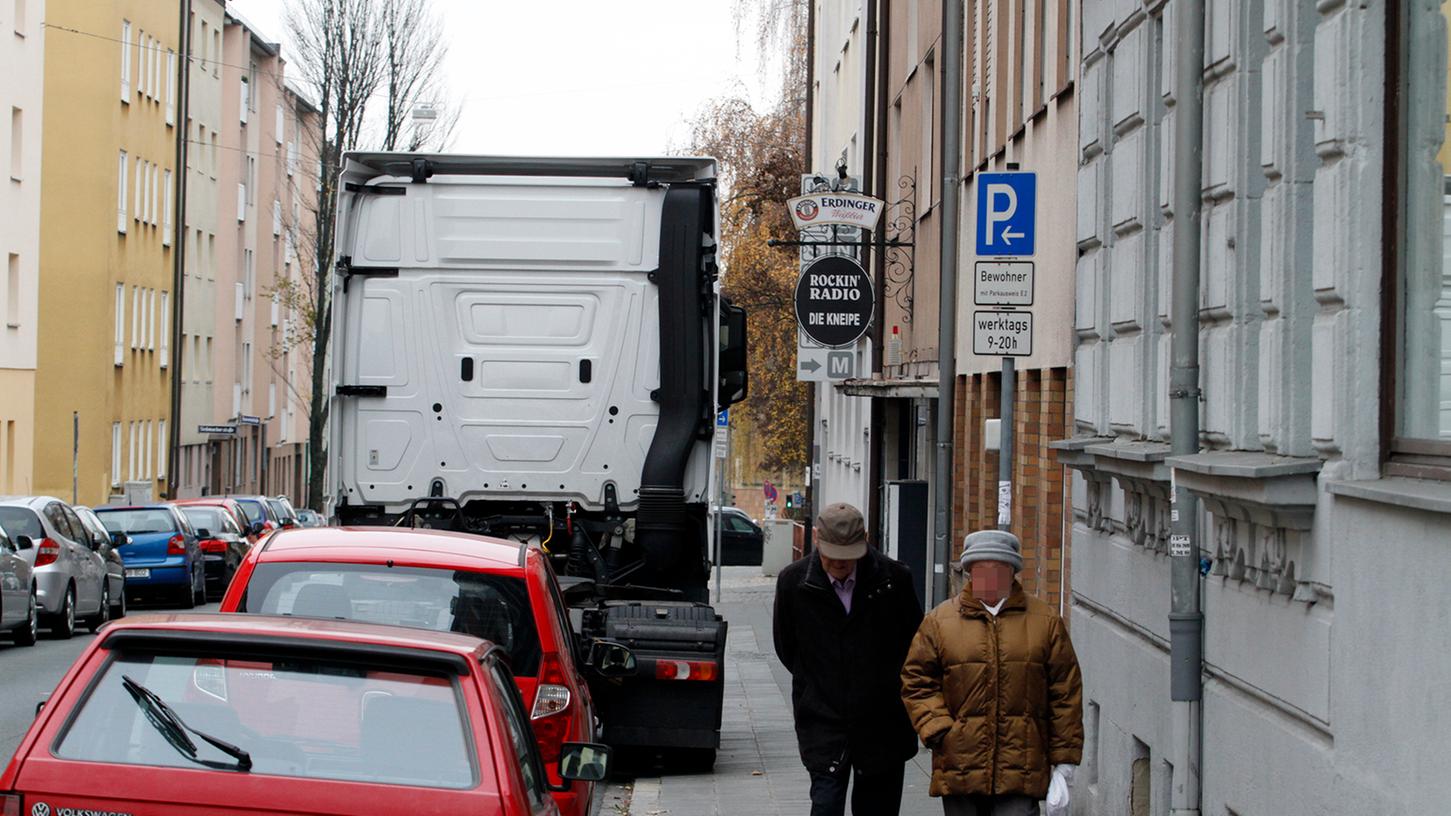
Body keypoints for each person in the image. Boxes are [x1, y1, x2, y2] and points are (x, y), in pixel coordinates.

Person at [901, 530, 1084, 816]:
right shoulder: (940, 621)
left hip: (1022, 764)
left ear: (1011, 571)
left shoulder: (1044, 622)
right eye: (980, 570)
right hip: (960, 763)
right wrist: (940, 730)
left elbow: (1065, 693)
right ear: (970, 571)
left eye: (997, 569)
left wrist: (1064, 763)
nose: (988, 578)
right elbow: (916, 681)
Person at [772, 502, 924, 816]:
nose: (840, 563)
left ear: (865, 539)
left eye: (848, 555)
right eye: (832, 554)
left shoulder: (894, 580)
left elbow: (914, 645)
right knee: (825, 806)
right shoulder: (793, 583)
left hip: (883, 722)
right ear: (815, 538)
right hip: (823, 719)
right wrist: (819, 683)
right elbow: (787, 648)